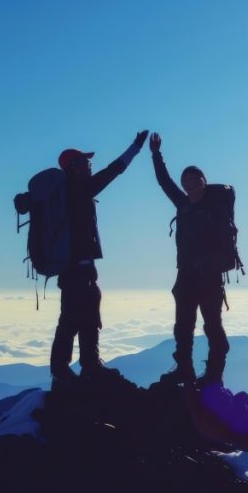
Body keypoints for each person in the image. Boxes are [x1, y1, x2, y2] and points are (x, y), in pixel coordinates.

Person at [51, 130, 148, 384]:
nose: (90, 165)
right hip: (77, 268)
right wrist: (135, 148)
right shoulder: (78, 190)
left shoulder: (65, 193)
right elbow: (114, 170)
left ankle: (78, 365)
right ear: (74, 167)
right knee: (78, 316)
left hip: (74, 268)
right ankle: (77, 367)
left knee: (79, 313)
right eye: (85, 161)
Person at [150, 132, 232, 387]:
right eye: (187, 184)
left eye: (195, 182)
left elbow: (225, 244)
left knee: (212, 327)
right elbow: (164, 182)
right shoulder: (183, 204)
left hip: (208, 277)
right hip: (186, 275)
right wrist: (156, 155)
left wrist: (208, 264)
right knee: (183, 327)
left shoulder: (216, 210)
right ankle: (184, 370)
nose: (191, 187)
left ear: (204, 182)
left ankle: (213, 376)